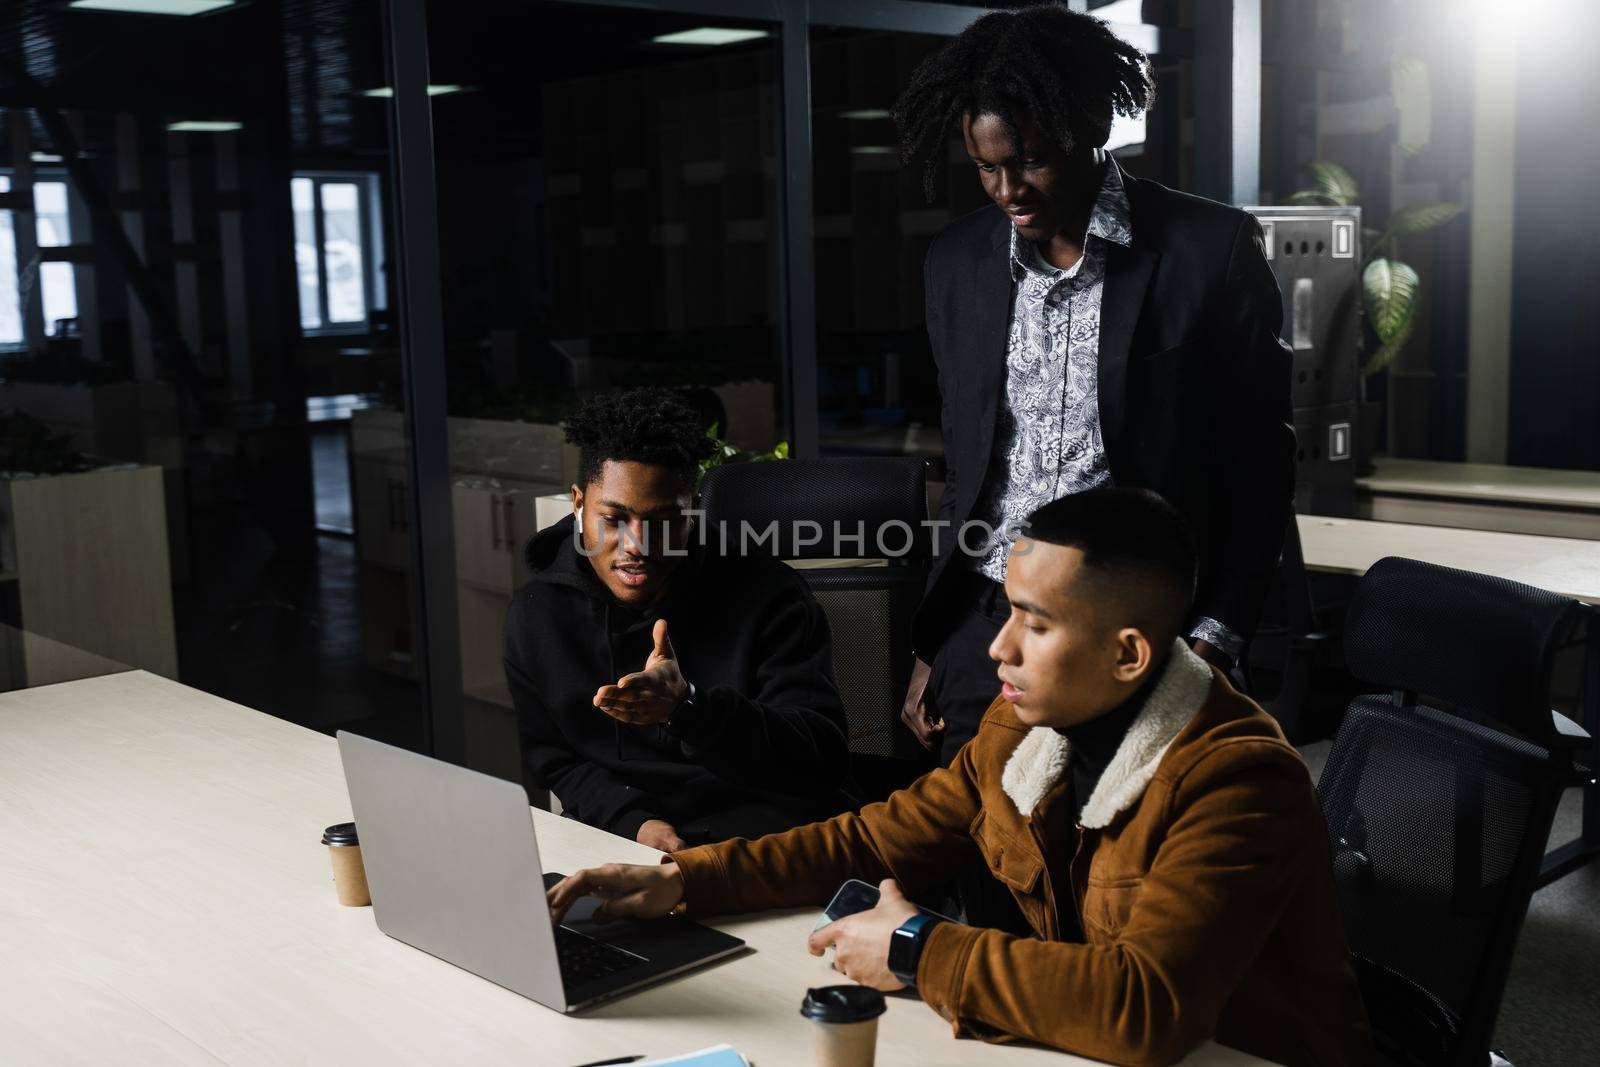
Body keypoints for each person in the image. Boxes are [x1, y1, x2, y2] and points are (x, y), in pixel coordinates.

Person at [548, 489, 1369, 1066]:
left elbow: (1143, 1008)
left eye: (1035, 623)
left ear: (1128, 653)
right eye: (1006, 608)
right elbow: (871, 836)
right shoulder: (1022, 729)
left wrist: (915, 947)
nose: (997, 648)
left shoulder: (1236, 779)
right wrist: (679, 879)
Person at [892, 2, 1294, 769]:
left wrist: (1216, 634)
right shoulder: (956, 263)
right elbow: (974, 466)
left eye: (1032, 160)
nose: (1009, 189)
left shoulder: (1209, 251)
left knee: (1120, 868)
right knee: (980, 857)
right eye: (986, 166)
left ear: (1090, 131)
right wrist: (936, 642)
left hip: (1137, 630)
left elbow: (1261, 464)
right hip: (991, 622)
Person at [504, 386, 852, 851]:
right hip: (631, 842)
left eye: (665, 520)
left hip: (765, 843)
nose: (637, 546)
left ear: (693, 513)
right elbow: (558, 761)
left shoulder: (771, 597)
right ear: (578, 503)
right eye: (614, 518)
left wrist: (688, 708)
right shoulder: (538, 614)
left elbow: (818, 756)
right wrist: (635, 824)